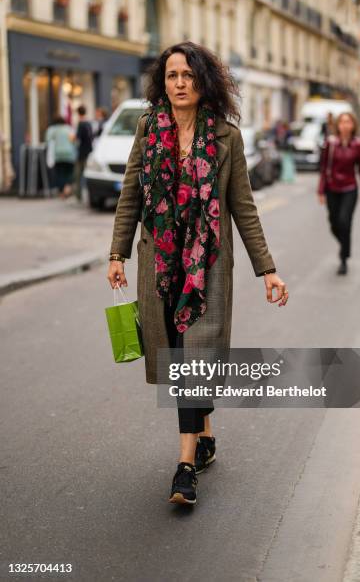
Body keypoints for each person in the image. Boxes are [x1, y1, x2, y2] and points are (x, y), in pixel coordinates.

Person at [107, 41, 289, 506]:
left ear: (203, 82)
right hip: (160, 266)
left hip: (206, 267)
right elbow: (131, 194)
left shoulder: (226, 137)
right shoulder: (148, 128)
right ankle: (205, 435)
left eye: (189, 75)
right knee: (179, 361)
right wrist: (117, 254)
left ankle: (185, 465)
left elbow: (242, 206)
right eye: (172, 75)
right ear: (161, 82)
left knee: (195, 359)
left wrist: (266, 268)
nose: (180, 83)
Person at [317, 112, 360, 275]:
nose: (345, 125)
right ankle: (344, 244)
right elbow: (324, 168)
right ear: (338, 125)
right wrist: (320, 190)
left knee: (345, 221)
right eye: (342, 122)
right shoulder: (331, 144)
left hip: (350, 189)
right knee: (333, 223)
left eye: (348, 122)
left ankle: (343, 258)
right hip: (332, 188)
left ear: (353, 125)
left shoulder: (358, 145)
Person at [45, 116, 76, 199]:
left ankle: (61, 191)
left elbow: (47, 140)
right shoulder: (69, 129)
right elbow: (74, 140)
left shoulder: (52, 129)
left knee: (59, 173)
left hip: (58, 154)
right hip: (70, 153)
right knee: (69, 172)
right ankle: (67, 187)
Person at [74, 105, 93, 200]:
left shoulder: (81, 124)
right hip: (89, 151)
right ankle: (89, 194)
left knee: (78, 174)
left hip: (82, 153)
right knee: (88, 173)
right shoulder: (89, 123)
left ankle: (79, 196)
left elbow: (77, 138)